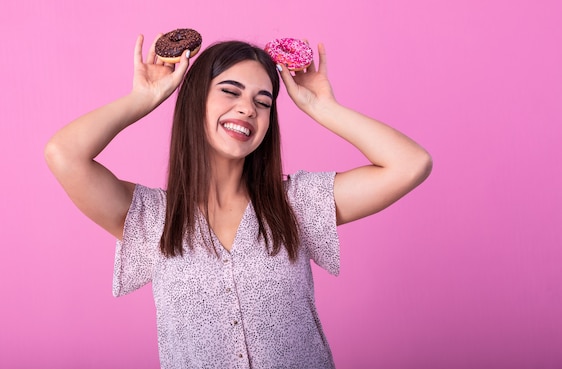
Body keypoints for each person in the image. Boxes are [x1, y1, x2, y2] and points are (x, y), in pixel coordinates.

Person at [45, 33, 432, 368]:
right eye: (230, 92)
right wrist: (144, 98)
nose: (248, 108)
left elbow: (410, 164)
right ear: (195, 101)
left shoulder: (296, 203)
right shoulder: (151, 218)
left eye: (263, 102)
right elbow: (63, 154)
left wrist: (321, 107)